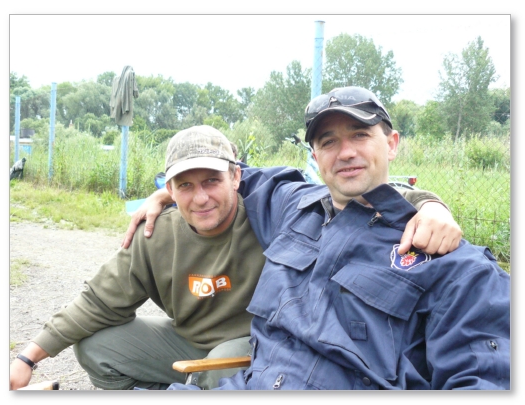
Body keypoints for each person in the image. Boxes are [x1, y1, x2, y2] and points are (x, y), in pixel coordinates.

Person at [9, 121, 460, 391]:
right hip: (188, 341)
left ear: (236, 178)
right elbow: (97, 301)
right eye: (185, 185)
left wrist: (430, 205)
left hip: (260, 344)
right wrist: (27, 360)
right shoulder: (155, 231)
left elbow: (349, 196)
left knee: (216, 366)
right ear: (168, 189)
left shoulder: (274, 214)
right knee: (98, 346)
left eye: (212, 181)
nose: (200, 197)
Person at [160, 86, 508, 390]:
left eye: (360, 135)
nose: (345, 152)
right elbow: (225, 178)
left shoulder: (455, 264)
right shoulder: (291, 206)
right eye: (328, 142)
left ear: (391, 144)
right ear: (315, 157)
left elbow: (483, 379)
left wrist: (428, 203)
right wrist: (169, 194)